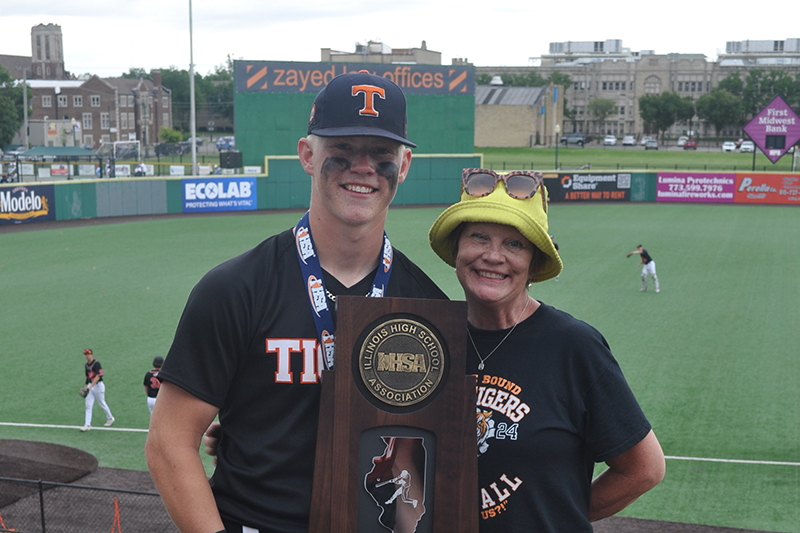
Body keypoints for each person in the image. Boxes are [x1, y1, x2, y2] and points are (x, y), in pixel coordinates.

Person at [145, 71, 447, 533]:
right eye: (342, 151)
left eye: (381, 154)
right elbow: (169, 443)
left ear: (404, 166)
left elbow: (436, 446)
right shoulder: (235, 288)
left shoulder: (426, 303)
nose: (362, 167)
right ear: (308, 155)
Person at [428, 168, 665, 531]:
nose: (493, 256)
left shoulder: (574, 346)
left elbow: (644, 469)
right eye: (478, 237)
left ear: (534, 261)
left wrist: (559, 516)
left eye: (514, 244)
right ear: (457, 248)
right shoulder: (430, 339)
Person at [80, 348, 115, 431]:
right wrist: (85, 387)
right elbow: (88, 378)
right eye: (86, 354)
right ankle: (87, 424)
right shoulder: (86, 365)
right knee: (88, 405)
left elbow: (98, 376)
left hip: (98, 386)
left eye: (88, 354)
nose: (87, 355)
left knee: (101, 403)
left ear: (92, 354)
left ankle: (110, 418)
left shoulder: (96, 364)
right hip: (90, 386)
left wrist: (89, 387)